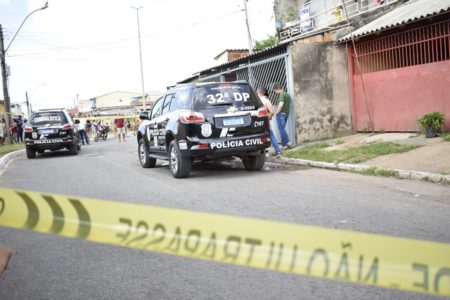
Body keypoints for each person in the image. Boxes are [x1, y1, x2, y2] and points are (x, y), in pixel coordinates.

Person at [257, 87, 281, 158]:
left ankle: (262, 153)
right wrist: (268, 119)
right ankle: (277, 151)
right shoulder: (266, 101)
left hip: (255, 122)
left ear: (258, 92)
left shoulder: (255, 100)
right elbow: (272, 112)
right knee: (271, 135)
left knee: (259, 137)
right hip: (264, 121)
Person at [274, 84, 293, 149]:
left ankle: (288, 141)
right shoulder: (287, 94)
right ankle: (284, 145)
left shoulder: (282, 95)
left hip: (281, 114)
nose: (275, 93)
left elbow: (281, 105)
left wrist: (277, 112)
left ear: (277, 89)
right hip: (286, 114)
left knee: (281, 129)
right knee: (282, 129)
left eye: (275, 91)